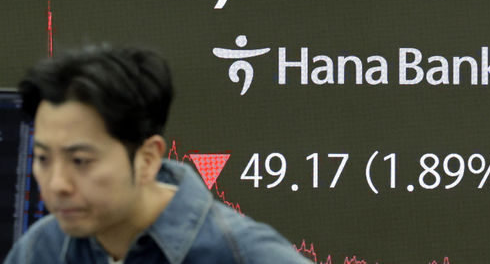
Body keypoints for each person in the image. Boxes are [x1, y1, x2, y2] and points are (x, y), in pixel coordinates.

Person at [3, 45, 310, 264]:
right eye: (43, 158)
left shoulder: (243, 253)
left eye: (80, 161)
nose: (57, 184)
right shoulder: (41, 249)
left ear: (148, 159)